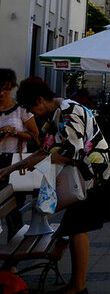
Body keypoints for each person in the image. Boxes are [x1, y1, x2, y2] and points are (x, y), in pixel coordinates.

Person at [1, 77, 110, 294]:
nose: (32, 113)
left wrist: (40, 165)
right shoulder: (54, 114)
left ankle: (78, 286)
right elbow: (44, 150)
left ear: (40, 99)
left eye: (31, 108)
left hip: (94, 177)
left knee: (76, 228)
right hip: (85, 178)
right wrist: (12, 168)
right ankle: (77, 285)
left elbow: (71, 152)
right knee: (75, 228)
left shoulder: (68, 113)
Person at [0, 69, 39, 236]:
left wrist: (15, 132)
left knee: (13, 212)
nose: (2, 93)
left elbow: (36, 137)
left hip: (15, 162)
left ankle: (13, 258)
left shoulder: (21, 110)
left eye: (6, 89)